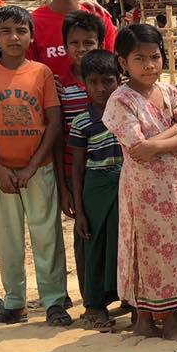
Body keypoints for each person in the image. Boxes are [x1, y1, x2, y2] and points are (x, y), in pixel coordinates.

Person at [0, 6, 71, 327]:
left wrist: (31, 167)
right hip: (0, 172)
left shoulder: (40, 73)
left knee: (47, 236)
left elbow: (53, 124)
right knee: (8, 237)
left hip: (39, 169)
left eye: (21, 31)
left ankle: (54, 301)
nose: (14, 37)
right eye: (6, 31)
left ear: (31, 36)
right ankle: (14, 302)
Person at [102, 24, 177, 340]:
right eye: (139, 58)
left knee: (175, 251)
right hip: (141, 192)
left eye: (154, 56)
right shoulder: (120, 99)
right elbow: (136, 148)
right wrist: (173, 130)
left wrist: (156, 143)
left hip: (173, 188)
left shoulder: (171, 92)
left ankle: (171, 317)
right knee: (146, 251)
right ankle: (147, 318)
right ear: (122, 62)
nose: (148, 65)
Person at [69, 50, 124, 331]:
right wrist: (79, 210)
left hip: (126, 185)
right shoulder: (82, 122)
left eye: (108, 81)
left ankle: (128, 297)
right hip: (95, 187)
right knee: (95, 244)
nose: (101, 89)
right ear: (84, 83)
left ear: (119, 79)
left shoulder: (130, 114)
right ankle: (94, 305)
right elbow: (77, 168)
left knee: (123, 242)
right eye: (94, 82)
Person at [55, 10, 106, 301]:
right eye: (75, 43)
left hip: (111, 171)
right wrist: (64, 187)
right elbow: (59, 132)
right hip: (76, 171)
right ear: (65, 46)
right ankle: (90, 298)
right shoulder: (60, 83)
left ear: (100, 43)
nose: (82, 49)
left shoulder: (113, 81)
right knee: (84, 232)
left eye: (89, 42)